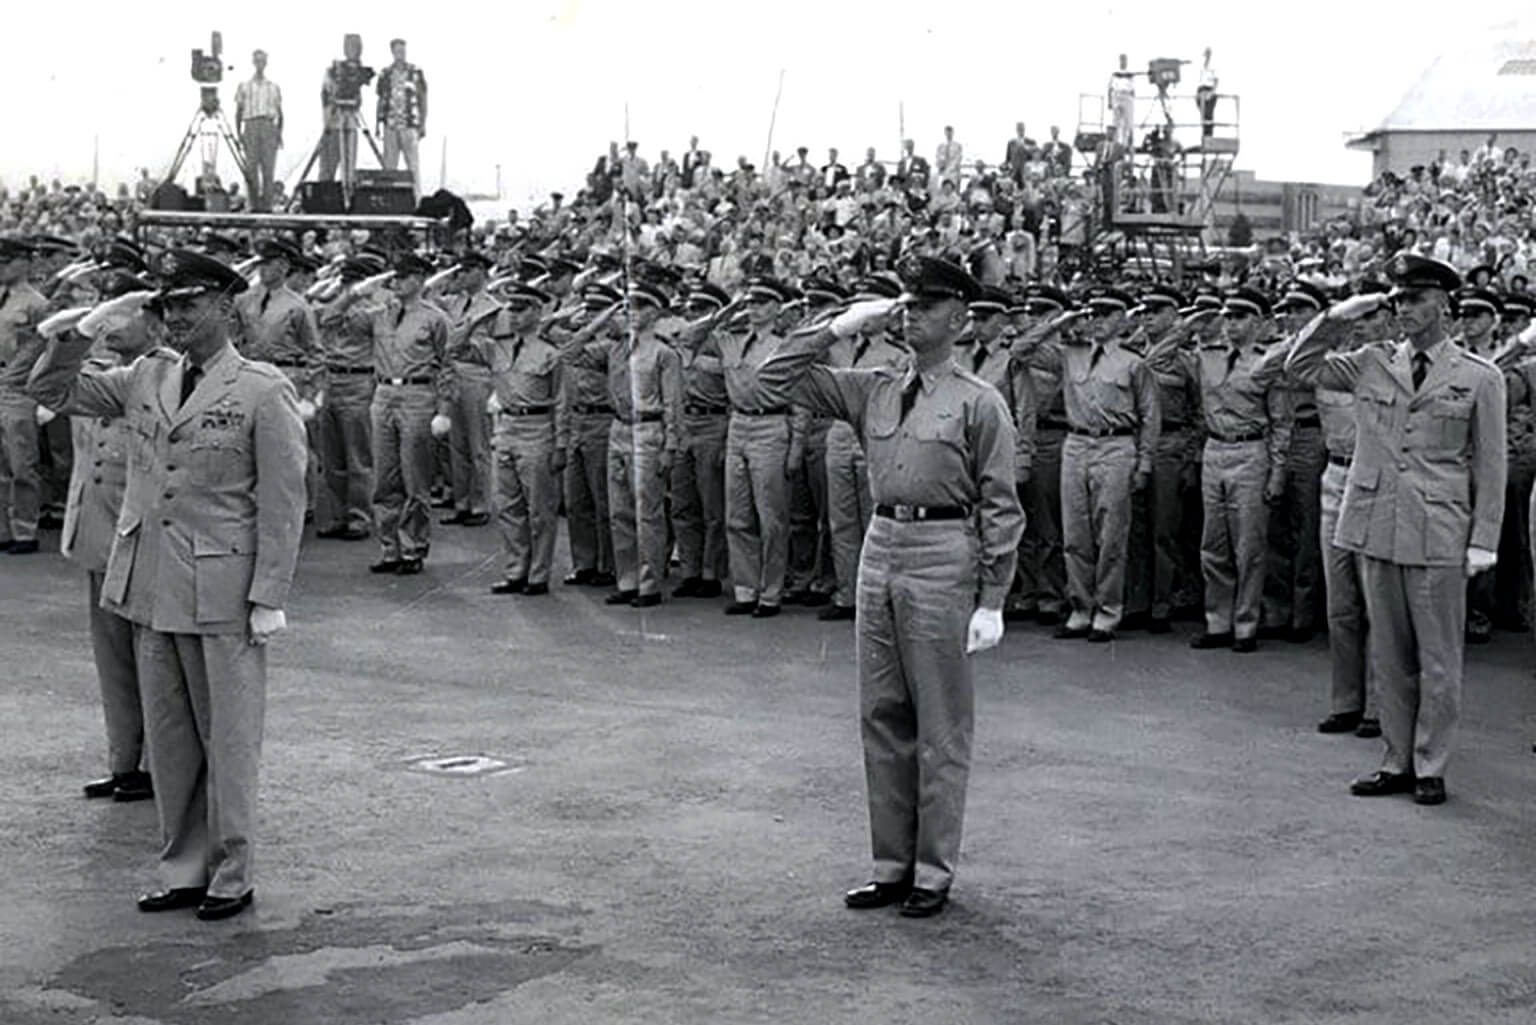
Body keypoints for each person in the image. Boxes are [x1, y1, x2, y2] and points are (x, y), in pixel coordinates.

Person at [26, 249, 306, 920]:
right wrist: (76, 333)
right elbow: (51, 392)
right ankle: (184, 867)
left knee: (228, 739)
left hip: (221, 589)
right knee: (173, 737)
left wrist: (270, 593)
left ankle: (232, 873)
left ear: (223, 307)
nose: (174, 317)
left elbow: (283, 501)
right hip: (151, 584)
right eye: (167, 305)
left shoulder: (262, 389)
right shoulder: (145, 375)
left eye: (187, 304)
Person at [758, 255, 1025, 918]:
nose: (911, 314)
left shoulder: (978, 402)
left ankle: (933, 871)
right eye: (906, 303)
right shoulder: (873, 387)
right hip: (881, 544)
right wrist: (839, 326)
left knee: (940, 721)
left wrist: (993, 597)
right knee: (880, 713)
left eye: (927, 305)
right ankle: (891, 865)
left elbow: (1000, 503)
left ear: (960, 319)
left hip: (942, 549)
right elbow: (770, 381)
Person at [1286, 254, 1506, 807]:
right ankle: (1396, 759)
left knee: (1437, 657)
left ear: (1444, 306)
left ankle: (1431, 763)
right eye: (1398, 299)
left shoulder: (1481, 378)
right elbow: (1298, 365)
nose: (1403, 309)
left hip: (1439, 529)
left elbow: (1491, 466)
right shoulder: (1371, 361)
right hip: (1377, 522)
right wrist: (1340, 313)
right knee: (1387, 654)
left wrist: (1484, 539)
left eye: (1415, 298)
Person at [46, 271, 159, 803]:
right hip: (98, 532)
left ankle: (163, 764)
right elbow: (43, 381)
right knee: (112, 659)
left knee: (152, 660)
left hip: (139, 536)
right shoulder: (102, 372)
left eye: (123, 313)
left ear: (154, 322)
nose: (111, 323)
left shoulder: (156, 377)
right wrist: (80, 325)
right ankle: (125, 762)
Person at [1161, 287, 1291, 653]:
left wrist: (1278, 473)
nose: (1232, 325)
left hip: (1252, 449)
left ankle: (1246, 624)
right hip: (1215, 448)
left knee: (1249, 544)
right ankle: (1217, 620)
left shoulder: (1268, 361)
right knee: (1212, 543)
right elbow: (1157, 359)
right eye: (1229, 317)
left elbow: (1282, 422)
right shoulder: (1208, 356)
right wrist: (1190, 324)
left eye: (1241, 317)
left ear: (1260, 323)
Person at [1027, 286, 1159, 642]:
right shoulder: (1070, 355)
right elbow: (1021, 350)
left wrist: (1144, 461)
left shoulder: (1134, 362)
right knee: (1075, 533)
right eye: (1093, 314)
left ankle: (1107, 611)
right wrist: (1062, 320)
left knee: (1111, 533)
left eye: (1106, 314)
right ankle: (1080, 608)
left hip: (1116, 444)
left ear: (1121, 319)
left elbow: (1150, 415)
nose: (1097, 321)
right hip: (1077, 442)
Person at [558, 279, 684, 607]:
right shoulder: (615, 348)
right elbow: (569, 352)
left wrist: (671, 446)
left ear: (656, 311)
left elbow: (673, 404)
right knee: (620, 511)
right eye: (628, 305)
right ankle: (627, 580)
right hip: (619, 428)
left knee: (648, 512)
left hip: (649, 430)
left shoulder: (664, 353)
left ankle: (649, 583)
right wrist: (600, 320)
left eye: (639, 306)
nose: (631, 312)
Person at [1305, 281, 1394, 739]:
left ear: (1389, 318)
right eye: (1357, 317)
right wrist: (1335, 315)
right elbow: (1292, 365)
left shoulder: (1393, 363)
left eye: (1371, 315)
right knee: (1340, 601)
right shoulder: (1341, 363)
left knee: (1376, 599)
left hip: (1378, 481)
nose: (1362, 326)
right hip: (1335, 476)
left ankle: (1380, 706)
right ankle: (1346, 701)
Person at [349, 251, 454, 575]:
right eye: (395, 276)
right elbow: (331, 317)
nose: (397, 282)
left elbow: (448, 366)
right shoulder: (380, 314)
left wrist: (445, 410)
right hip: (383, 392)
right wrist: (360, 290)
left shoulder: (435, 318)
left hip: (417, 393)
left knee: (414, 477)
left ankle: (413, 548)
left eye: (405, 276)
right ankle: (389, 547)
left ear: (420, 279)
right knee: (384, 477)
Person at [462, 279, 565, 595]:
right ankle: (516, 570)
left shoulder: (550, 353)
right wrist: (480, 316)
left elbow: (561, 401)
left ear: (537, 311)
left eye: (521, 309)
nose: (514, 315)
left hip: (537, 429)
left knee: (539, 509)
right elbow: (455, 345)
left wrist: (560, 443)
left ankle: (538, 574)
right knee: (507, 506)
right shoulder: (497, 348)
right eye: (511, 309)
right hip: (506, 427)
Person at [820, 275, 908, 621]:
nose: (865, 315)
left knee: (878, 521)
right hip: (839, 435)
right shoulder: (838, 346)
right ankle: (848, 594)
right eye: (860, 307)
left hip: (878, 438)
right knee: (841, 521)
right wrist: (837, 317)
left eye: (872, 307)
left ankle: (879, 597)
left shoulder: (900, 354)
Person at [713, 277, 802, 616]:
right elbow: (690, 336)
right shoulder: (730, 340)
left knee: (772, 516)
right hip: (738, 424)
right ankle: (745, 589)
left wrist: (795, 445)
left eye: (764, 302)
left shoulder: (785, 345)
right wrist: (731, 307)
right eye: (751, 301)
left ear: (778, 308)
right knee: (736, 515)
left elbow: (801, 399)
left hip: (771, 424)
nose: (755, 308)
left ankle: (771, 592)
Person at [668, 283, 734, 599]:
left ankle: (710, 573)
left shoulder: (725, 344)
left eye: (699, 309)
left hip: (713, 423)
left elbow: (736, 394)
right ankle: (690, 570)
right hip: (685, 424)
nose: (691, 314)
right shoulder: (681, 343)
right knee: (683, 504)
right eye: (690, 309)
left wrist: (727, 439)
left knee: (712, 507)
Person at [313, 254, 385, 541]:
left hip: (358, 380)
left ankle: (359, 516)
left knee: (358, 456)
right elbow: (325, 316)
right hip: (333, 379)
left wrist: (354, 298)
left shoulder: (377, 307)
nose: (346, 286)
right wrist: (346, 296)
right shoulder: (338, 303)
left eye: (352, 281)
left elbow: (334, 317)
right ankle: (338, 514)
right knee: (332, 457)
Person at [440, 253, 498, 528]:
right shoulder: (457, 302)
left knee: (478, 444)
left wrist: (467, 345)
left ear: (480, 271)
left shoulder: (494, 306)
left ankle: (480, 503)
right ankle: (461, 502)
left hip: (477, 372)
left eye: (466, 270)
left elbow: (496, 346)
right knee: (457, 443)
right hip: (453, 371)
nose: (460, 276)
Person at [376, 38, 428, 198]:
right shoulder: (385, 73)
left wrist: (423, 124)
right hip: (390, 124)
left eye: (403, 51)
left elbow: (423, 98)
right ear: (392, 52)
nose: (401, 54)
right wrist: (377, 123)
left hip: (409, 123)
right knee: (389, 166)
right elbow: (380, 97)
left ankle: (417, 198)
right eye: (398, 51)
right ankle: (389, 199)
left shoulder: (415, 72)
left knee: (413, 165)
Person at [234, 50, 283, 213]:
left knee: (268, 168)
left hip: (268, 125)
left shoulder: (273, 87)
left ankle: (267, 205)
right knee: (251, 167)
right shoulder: (244, 86)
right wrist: (239, 132)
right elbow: (239, 111)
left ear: (266, 63)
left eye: (263, 61)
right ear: (253, 62)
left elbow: (280, 112)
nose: (260, 64)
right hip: (251, 124)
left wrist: (278, 133)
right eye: (257, 61)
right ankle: (253, 204)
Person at [1195, 48, 1218, 139]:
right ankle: (1205, 134)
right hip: (1201, 90)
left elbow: (1216, 80)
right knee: (1203, 113)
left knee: (1208, 113)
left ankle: (1209, 136)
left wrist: (1212, 92)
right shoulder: (1202, 66)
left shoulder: (1213, 66)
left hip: (1209, 89)